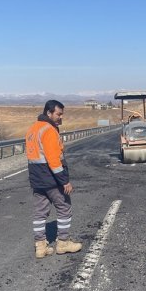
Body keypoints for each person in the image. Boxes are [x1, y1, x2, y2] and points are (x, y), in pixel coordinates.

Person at [26, 100, 82, 259]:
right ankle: (63, 243)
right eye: (58, 114)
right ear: (49, 113)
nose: (60, 117)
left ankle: (40, 246)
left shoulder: (33, 129)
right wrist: (64, 181)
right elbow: (54, 160)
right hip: (51, 179)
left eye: (62, 114)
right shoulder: (49, 130)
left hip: (36, 179)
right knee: (64, 208)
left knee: (39, 213)